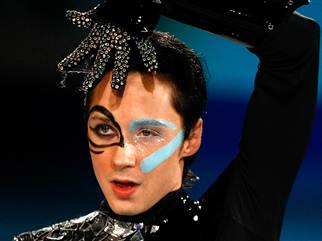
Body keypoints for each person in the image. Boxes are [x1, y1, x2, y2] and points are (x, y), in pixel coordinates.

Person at [14, 0, 320, 240]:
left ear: (192, 138)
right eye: (104, 128)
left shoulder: (233, 228)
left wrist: (165, 2)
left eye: (147, 132)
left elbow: (296, 44)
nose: (122, 158)